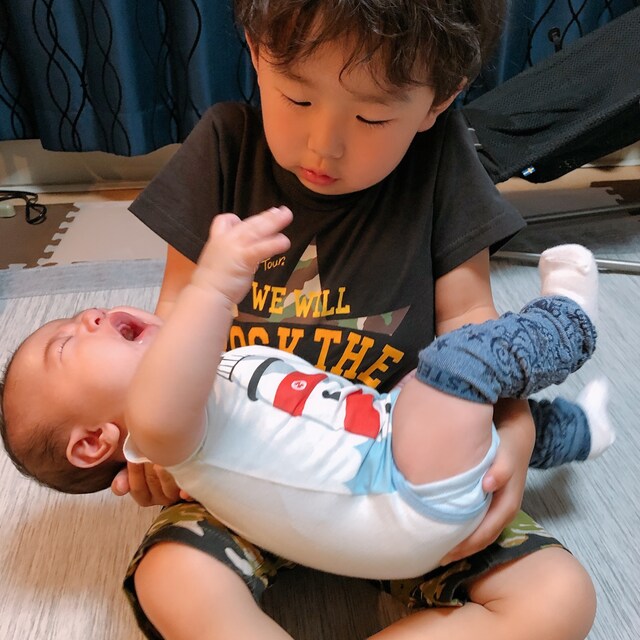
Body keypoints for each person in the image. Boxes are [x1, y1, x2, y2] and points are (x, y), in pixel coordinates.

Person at [100, 1, 598, 638]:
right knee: (172, 579)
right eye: (297, 98)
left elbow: (474, 324)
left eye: (372, 117)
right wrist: (151, 435)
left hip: (407, 470)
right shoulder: (224, 146)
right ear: (254, 50)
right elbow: (174, 317)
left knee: (559, 598)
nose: (323, 145)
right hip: (244, 462)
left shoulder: (441, 159)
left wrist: (514, 429)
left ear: (440, 100)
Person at [0, 208, 612, 582]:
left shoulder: (215, 382)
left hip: (391, 453)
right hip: (401, 494)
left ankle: (575, 429)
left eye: (73, 317)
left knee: (424, 395)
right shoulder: (161, 430)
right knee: (455, 367)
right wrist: (214, 285)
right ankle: (568, 320)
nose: (86, 316)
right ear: (93, 443)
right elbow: (173, 371)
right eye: (64, 344)